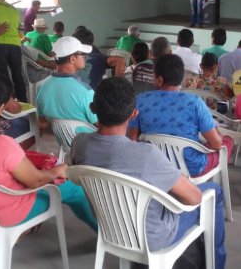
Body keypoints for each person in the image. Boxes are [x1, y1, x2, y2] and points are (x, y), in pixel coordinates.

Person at [71, 77, 226, 268]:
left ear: (93, 109)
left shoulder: (79, 144)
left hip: (110, 228)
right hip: (154, 237)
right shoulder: (147, 155)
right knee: (214, 192)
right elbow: (194, 198)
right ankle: (217, 263)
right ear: (134, 114)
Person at [0, 71, 97, 231]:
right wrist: (58, 170)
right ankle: (103, 233)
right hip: (8, 212)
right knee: (74, 189)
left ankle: (25, 230)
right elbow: (36, 181)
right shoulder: (2, 145)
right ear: (0, 108)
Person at [128, 54, 233, 178]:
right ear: (181, 78)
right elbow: (216, 144)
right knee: (227, 141)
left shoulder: (139, 101)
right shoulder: (195, 103)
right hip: (190, 168)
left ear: (159, 79)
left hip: (153, 164)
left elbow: (132, 141)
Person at [36, 36, 97, 126]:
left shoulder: (41, 85)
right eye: (82, 54)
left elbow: (41, 120)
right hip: (82, 136)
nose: (85, 57)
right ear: (72, 59)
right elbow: (98, 124)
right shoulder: (86, 91)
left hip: (58, 137)